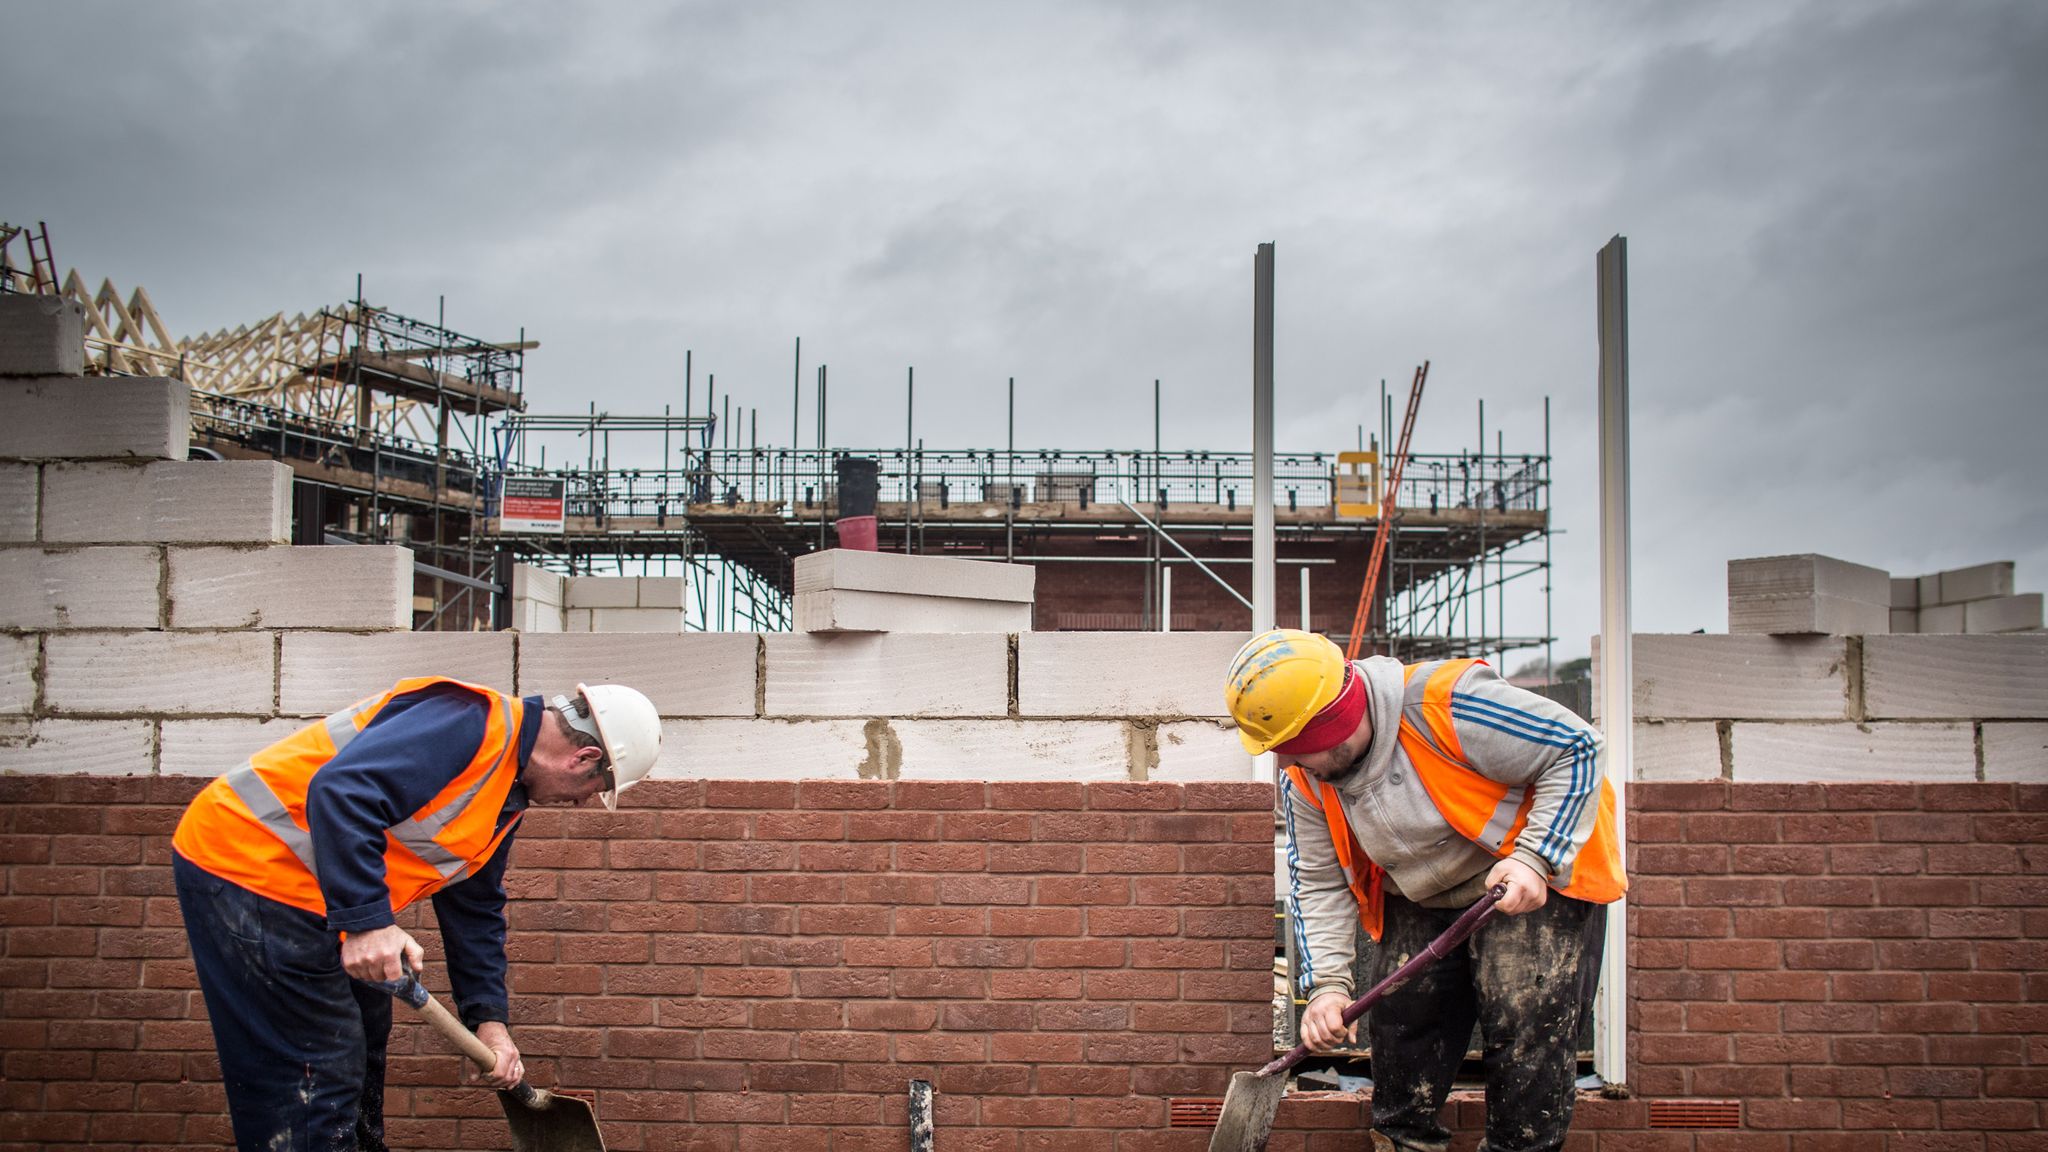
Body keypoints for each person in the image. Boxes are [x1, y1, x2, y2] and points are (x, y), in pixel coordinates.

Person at [171, 677, 661, 1152]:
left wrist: (488, 1020)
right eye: (593, 790)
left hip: (314, 895)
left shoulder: (505, 792)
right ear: (586, 758)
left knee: (363, 1045)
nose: (579, 804)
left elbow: (476, 907)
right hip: (243, 866)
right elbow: (342, 791)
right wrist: (367, 924)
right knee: (315, 1066)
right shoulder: (470, 723)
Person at [1225, 630, 1625, 1152]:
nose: (1286, 764)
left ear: (1336, 724)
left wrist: (1536, 857)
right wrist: (1327, 986)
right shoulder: (1307, 780)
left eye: (1292, 749)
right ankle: (1403, 1142)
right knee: (1403, 1026)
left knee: (1526, 1031)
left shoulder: (1448, 703)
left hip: (1527, 878)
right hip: (1422, 889)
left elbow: (1577, 747)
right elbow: (1319, 881)